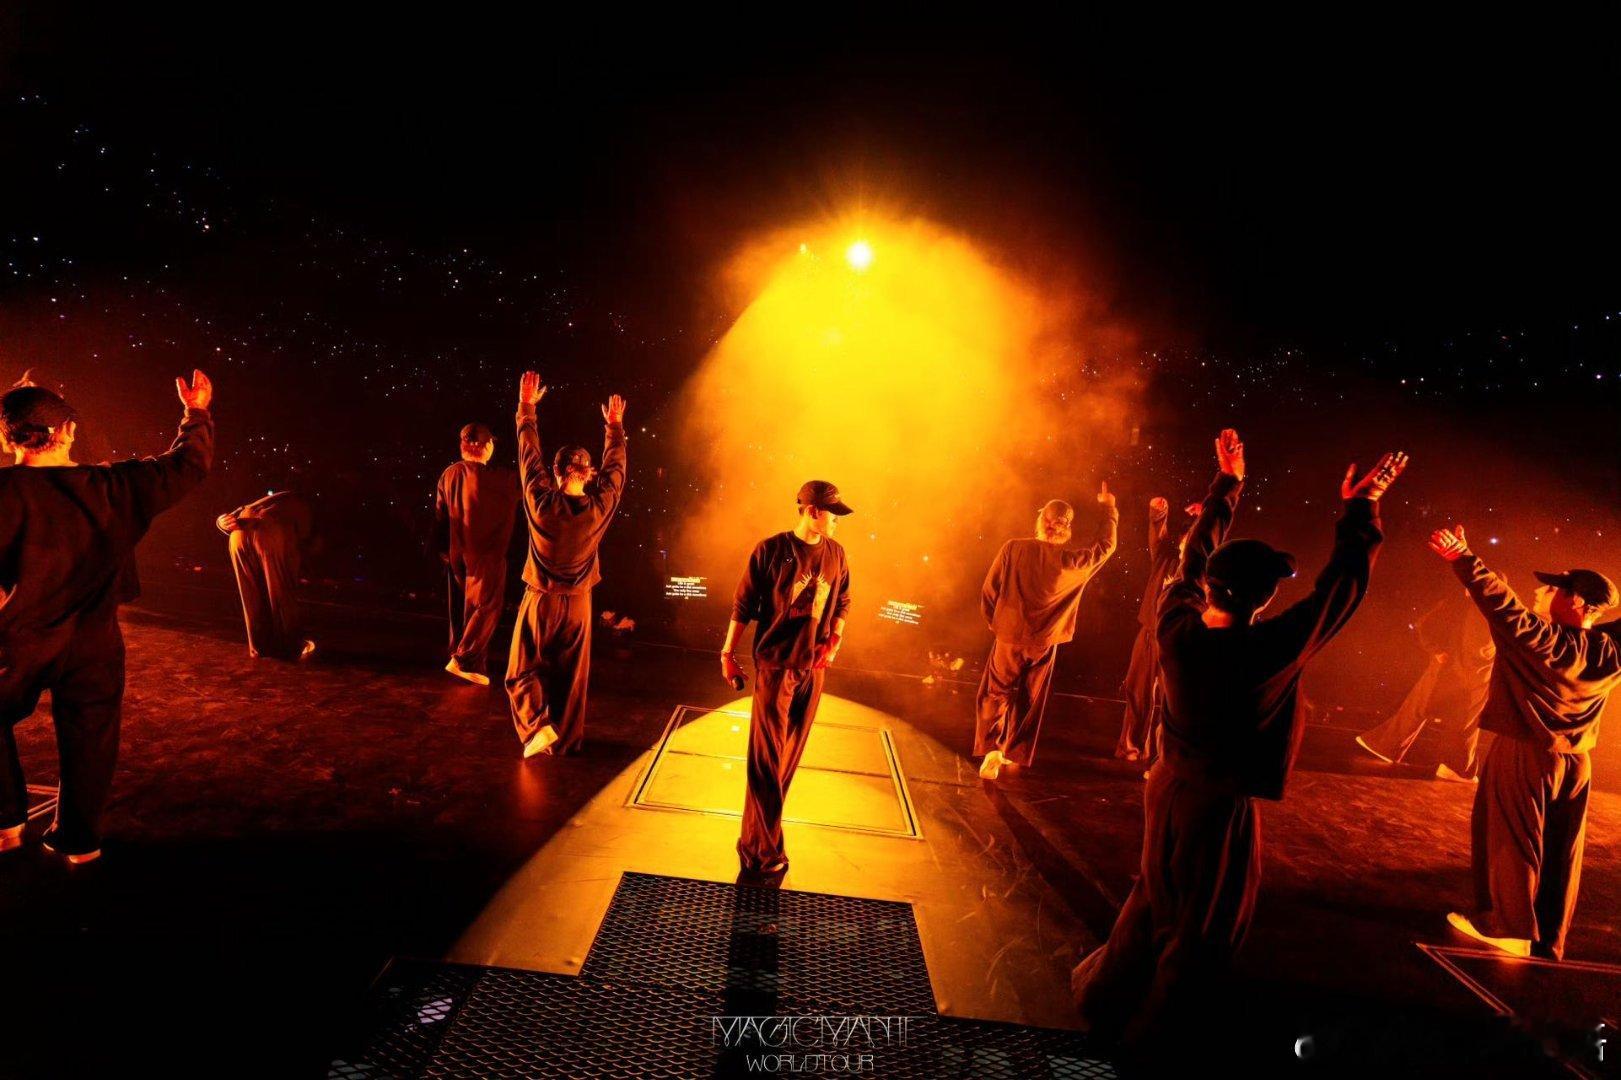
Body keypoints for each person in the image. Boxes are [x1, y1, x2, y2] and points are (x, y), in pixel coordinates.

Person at [1071, 429, 1405, 1053]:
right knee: (1207, 928)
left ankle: (1105, 999)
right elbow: (1342, 589)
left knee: (1154, 895)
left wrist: (1229, 482)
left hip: (1165, 788)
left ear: (1209, 587)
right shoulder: (1270, 650)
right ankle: (1155, 1043)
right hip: (1217, 806)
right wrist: (1362, 507)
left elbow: (1193, 556)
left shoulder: (1175, 625)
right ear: (1267, 595)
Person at [0, 371, 214, 864]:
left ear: (9, 438)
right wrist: (196, 412)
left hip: (19, 641)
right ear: (67, 431)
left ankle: (6, 819)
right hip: (94, 641)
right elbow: (188, 464)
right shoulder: (115, 486)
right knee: (90, 736)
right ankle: (79, 842)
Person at [1428, 526, 1620, 961]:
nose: (1539, 592)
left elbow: (1502, 603)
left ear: (1575, 601)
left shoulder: (1540, 638)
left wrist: (1463, 558)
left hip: (1526, 753)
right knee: (1562, 851)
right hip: (1577, 763)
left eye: (1552, 588)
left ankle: (1510, 926)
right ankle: (1548, 938)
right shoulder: (1611, 649)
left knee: (1513, 839)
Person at [721, 480, 854, 877]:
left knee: (785, 761)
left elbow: (843, 600)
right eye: (833, 514)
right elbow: (743, 605)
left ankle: (754, 841)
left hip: (812, 669)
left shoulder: (837, 554)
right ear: (812, 511)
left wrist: (834, 642)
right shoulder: (770, 550)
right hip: (776, 667)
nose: (837, 521)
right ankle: (765, 851)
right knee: (766, 761)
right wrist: (728, 654)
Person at [505, 372, 627, 758]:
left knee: (521, 669)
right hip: (579, 604)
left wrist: (527, 408)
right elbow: (616, 472)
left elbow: (528, 457)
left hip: (541, 599)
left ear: (555, 472)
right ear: (588, 475)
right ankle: (568, 741)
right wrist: (614, 428)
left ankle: (537, 726)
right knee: (574, 676)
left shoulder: (540, 501)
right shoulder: (599, 507)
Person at [975, 485, 1119, 780]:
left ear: (1041, 521)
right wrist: (1109, 508)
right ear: (1066, 528)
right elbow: (1106, 546)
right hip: (1043, 642)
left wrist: (996, 623)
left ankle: (991, 748)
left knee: (995, 692)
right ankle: (1013, 750)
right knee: (1030, 697)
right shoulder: (1071, 562)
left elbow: (990, 590)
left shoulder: (1013, 548)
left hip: (1008, 636)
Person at [1355, 591, 1494, 781]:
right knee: (1456, 717)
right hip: (1459, 672)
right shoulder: (1464, 605)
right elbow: (1427, 624)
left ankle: (1387, 746)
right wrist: (1436, 650)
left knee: (1432, 710)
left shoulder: (1482, 608)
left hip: (1462, 672)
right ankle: (1454, 766)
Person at [1115, 497, 1200, 766]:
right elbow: (1157, 535)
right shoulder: (1165, 556)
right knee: (1136, 690)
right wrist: (1159, 511)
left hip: (1177, 642)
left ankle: (1165, 758)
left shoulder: (1202, 571)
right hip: (1149, 632)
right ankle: (1131, 747)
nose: (1187, 543)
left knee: (1172, 700)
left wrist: (1206, 514)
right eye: (1186, 539)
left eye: (1194, 539)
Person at [435, 422, 519, 686]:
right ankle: (464, 659)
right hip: (485, 553)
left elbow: (440, 515)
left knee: (466, 609)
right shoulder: (498, 478)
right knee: (487, 606)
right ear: (487, 446)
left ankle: (469, 662)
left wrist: (442, 550)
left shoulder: (449, 473)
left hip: (456, 552)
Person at [216, 491, 315, 660]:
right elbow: (307, 534)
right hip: (270, 530)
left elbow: (229, 514)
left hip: (238, 531)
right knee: (280, 592)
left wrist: (221, 522)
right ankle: (290, 647)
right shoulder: (302, 498)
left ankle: (260, 647)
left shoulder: (256, 487)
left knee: (251, 594)